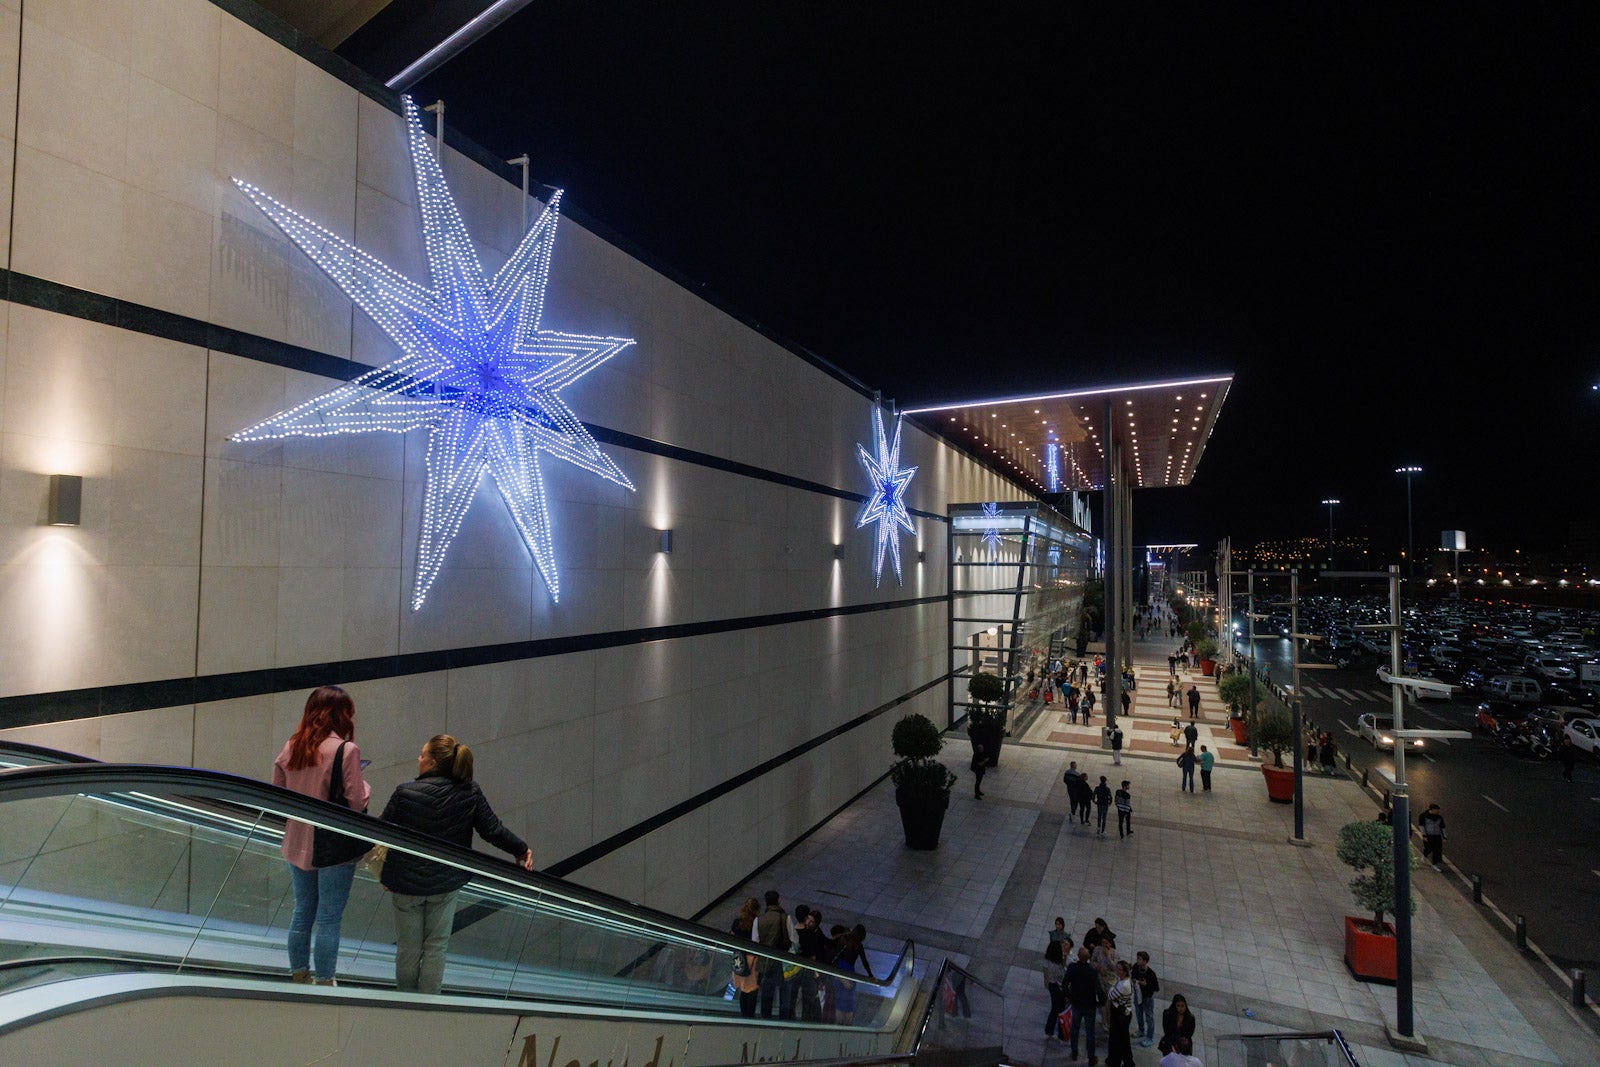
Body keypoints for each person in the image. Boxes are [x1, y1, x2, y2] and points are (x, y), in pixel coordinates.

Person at [380, 734, 532, 994]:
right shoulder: (469, 792)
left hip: (406, 884)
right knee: (436, 947)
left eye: (422, 755)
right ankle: (429, 1006)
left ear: (433, 762)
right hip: (445, 882)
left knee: (408, 948)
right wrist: (520, 849)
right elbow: (492, 830)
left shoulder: (405, 793)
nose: (418, 759)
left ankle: (404, 1004)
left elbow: (381, 830)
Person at [272, 685, 371, 986]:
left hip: (296, 842)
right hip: (332, 846)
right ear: (342, 715)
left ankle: (299, 974)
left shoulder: (292, 746)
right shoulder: (346, 750)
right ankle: (326, 981)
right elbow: (356, 800)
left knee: (303, 910)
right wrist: (367, 787)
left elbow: (277, 791)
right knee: (329, 917)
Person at [755, 890, 798, 1018]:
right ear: (778, 901)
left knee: (767, 994)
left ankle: (765, 1019)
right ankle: (782, 1021)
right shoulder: (786, 918)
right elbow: (794, 940)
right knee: (785, 995)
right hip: (783, 961)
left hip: (766, 963)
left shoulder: (759, 920)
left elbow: (755, 941)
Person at [1064, 946, 1104, 1064]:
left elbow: (1065, 984)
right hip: (1089, 1006)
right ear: (1088, 958)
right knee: (1090, 1032)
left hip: (1076, 1003)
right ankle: (1091, 1057)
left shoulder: (1072, 968)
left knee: (1075, 1029)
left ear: (1078, 957)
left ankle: (1074, 1052)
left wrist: (1070, 997)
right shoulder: (1092, 972)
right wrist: (1100, 1003)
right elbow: (1100, 991)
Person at [731, 898, 762, 1016]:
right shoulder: (757, 924)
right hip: (752, 959)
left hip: (739, 959)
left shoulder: (736, 923)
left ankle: (743, 1013)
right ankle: (750, 1015)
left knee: (742, 989)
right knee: (752, 989)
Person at [1105, 960, 1136, 1067]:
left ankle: (1116, 1062)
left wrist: (1111, 987)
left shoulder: (1124, 985)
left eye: (1119, 969)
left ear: (1125, 972)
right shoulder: (1123, 980)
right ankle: (1124, 1061)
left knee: (1118, 1040)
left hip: (1120, 1015)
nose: (1117, 970)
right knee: (1122, 1039)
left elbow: (1110, 996)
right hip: (1122, 1013)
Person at [1131, 951, 1160, 1047]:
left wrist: (1146, 985)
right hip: (1138, 995)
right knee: (1139, 1014)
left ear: (1145, 961)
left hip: (1147, 998)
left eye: (1139, 959)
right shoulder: (1136, 967)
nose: (1137, 960)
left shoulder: (1151, 974)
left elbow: (1156, 988)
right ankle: (1141, 1030)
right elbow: (1133, 976)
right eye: (1137, 958)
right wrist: (1135, 981)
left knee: (1149, 1017)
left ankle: (1149, 1037)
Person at [1042, 938, 1068, 1038]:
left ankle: (1049, 1030)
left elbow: (1045, 968)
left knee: (1054, 1008)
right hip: (1058, 986)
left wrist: (1045, 980)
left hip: (1051, 985)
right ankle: (1061, 1033)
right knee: (1060, 1009)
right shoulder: (1057, 965)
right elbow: (1062, 975)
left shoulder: (1047, 959)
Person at [1419, 803, 1446, 871]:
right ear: (1432, 809)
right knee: (1428, 848)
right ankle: (1425, 855)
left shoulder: (1439, 817)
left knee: (1436, 850)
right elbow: (1421, 826)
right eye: (1437, 810)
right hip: (1428, 835)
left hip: (1437, 836)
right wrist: (1424, 835)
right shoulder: (1423, 816)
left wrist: (1444, 837)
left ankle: (1434, 864)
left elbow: (1442, 827)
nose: (1438, 812)